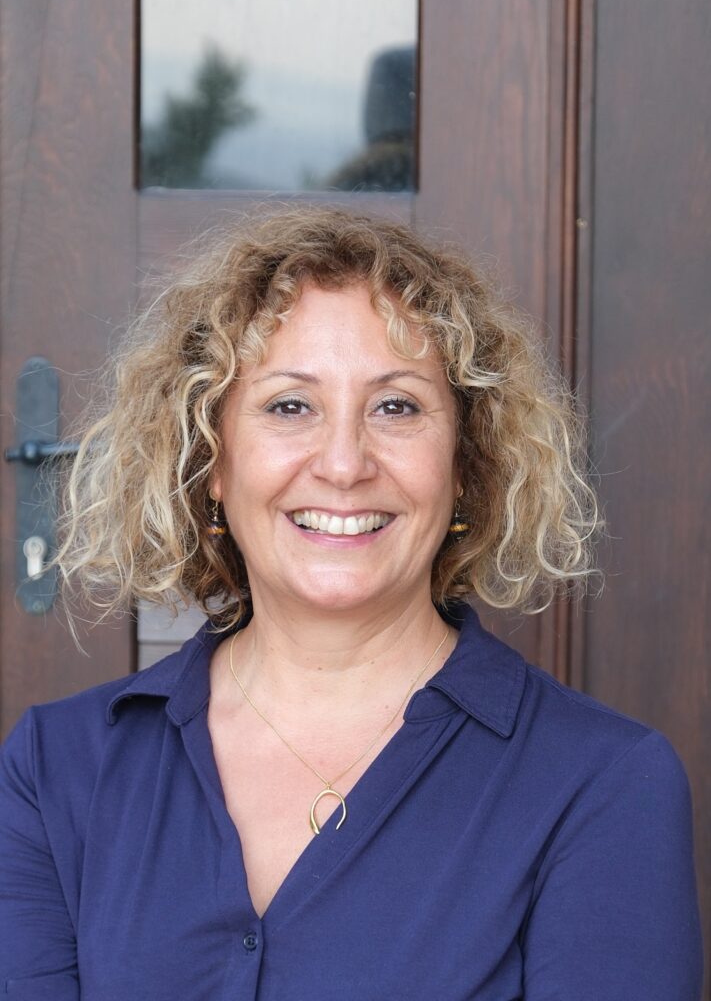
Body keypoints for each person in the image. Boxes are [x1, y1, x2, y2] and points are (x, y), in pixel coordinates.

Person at [0, 208, 702, 999]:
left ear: (465, 463)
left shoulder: (602, 782)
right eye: (289, 406)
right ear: (212, 460)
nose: (342, 464)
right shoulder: (55, 768)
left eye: (395, 406)